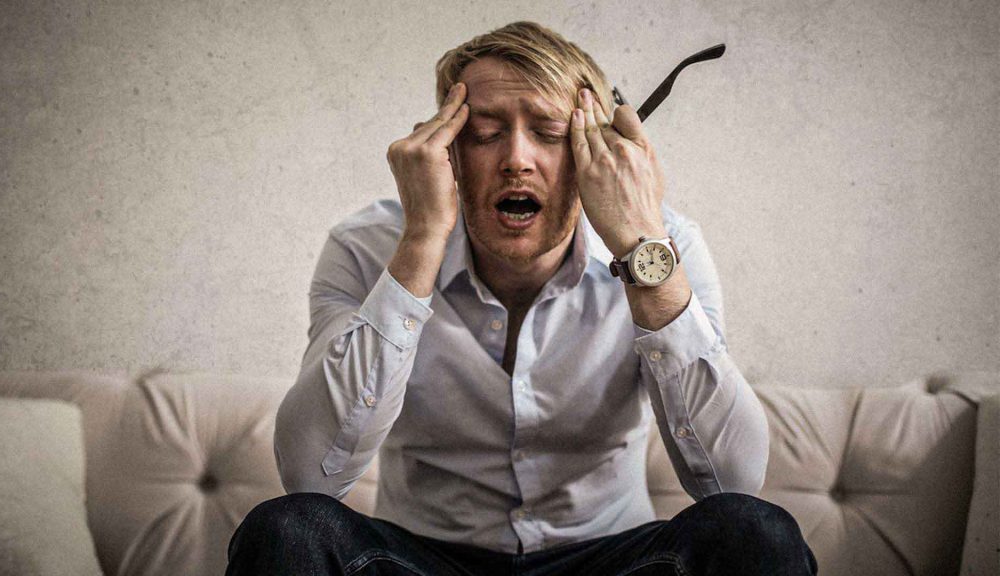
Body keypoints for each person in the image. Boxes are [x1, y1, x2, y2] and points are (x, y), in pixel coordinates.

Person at [227, 21, 817, 576]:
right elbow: (310, 477)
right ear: (447, 152)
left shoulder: (668, 248)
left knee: (753, 532)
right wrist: (421, 241)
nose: (515, 158)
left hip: (610, 560)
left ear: (596, 153)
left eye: (550, 133)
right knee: (288, 530)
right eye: (483, 134)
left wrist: (642, 250)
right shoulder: (365, 247)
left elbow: (733, 482)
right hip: (425, 559)